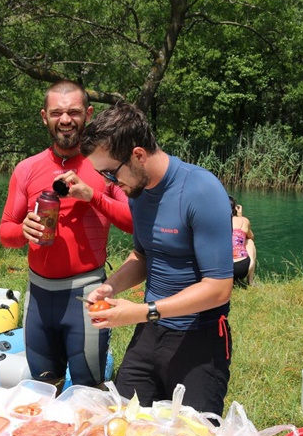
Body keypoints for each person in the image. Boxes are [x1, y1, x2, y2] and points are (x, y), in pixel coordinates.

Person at [81, 102, 233, 417]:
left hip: (199, 336)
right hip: (150, 330)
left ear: (138, 155)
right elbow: (143, 255)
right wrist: (111, 286)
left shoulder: (201, 190)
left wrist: (143, 311)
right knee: (122, 423)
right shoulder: (138, 192)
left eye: (111, 171)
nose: (110, 183)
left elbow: (219, 287)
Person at [0, 80, 133, 388]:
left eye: (73, 111)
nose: (66, 119)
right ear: (44, 116)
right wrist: (22, 231)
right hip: (39, 296)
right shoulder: (27, 169)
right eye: (57, 112)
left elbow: (135, 223)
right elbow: (5, 233)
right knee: (45, 387)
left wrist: (94, 197)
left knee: (90, 391)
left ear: (88, 114)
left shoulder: (105, 166)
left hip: (86, 294)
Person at [230, 196, 256, 285]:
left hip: (220, 272)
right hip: (241, 269)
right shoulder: (244, 221)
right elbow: (251, 237)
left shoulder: (217, 221)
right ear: (235, 208)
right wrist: (240, 216)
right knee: (250, 242)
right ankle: (250, 282)